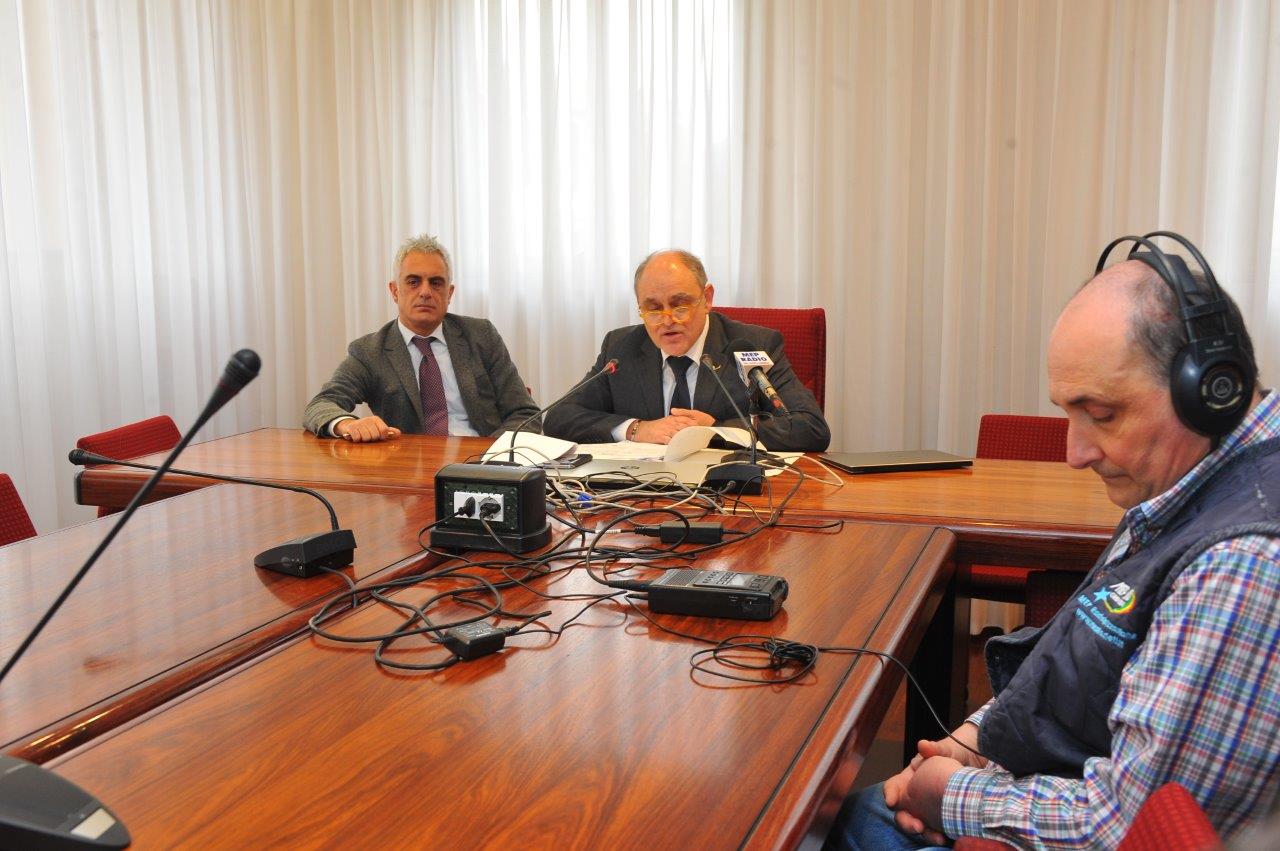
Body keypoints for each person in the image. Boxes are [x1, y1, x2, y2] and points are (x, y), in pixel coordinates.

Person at [827, 239, 1279, 848]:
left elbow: (1126, 825)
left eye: (1103, 414)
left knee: (837, 824)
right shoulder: (1183, 485)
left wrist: (949, 795)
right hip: (1047, 773)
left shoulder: (1242, 562)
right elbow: (1077, 650)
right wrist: (975, 742)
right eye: (1069, 413)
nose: (1075, 452)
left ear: (1211, 391)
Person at [541, 249, 831, 451]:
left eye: (680, 305)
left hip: (731, 495)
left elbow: (810, 427)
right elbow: (559, 418)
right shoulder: (621, 348)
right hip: (645, 495)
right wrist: (636, 429)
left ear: (707, 299)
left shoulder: (752, 345)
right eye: (653, 308)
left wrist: (716, 430)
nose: (668, 320)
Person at [303, 234, 539, 442]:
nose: (425, 292)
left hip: (482, 463)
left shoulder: (481, 336)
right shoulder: (370, 352)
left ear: (449, 293)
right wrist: (347, 424)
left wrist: (492, 457)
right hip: (408, 467)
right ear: (395, 291)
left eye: (436, 283)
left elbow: (525, 414)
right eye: (413, 282)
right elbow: (320, 405)